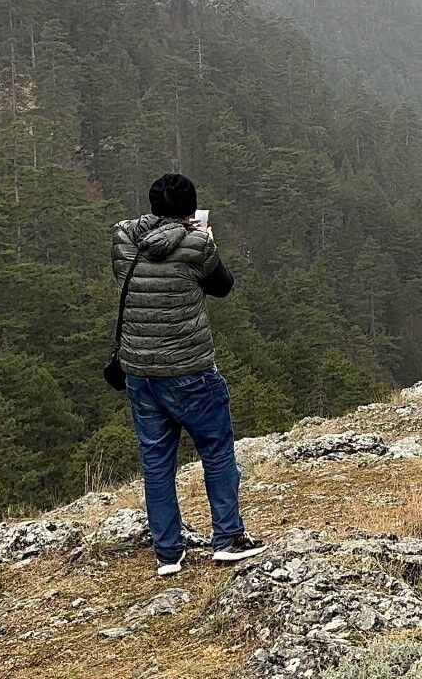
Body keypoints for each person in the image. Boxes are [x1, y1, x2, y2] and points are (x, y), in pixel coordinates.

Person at [112, 173, 265, 576]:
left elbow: (134, 267)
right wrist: (205, 241)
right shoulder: (197, 245)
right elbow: (223, 286)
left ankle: (168, 554)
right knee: (215, 451)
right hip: (191, 371)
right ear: (190, 209)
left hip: (140, 372)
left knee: (157, 463)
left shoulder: (125, 240)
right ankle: (228, 538)